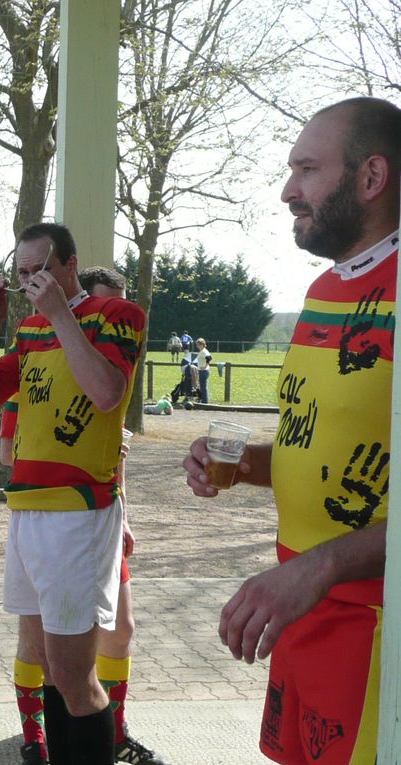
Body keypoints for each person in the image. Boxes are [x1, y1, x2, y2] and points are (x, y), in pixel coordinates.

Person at [183, 97, 400, 765]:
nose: (287, 191)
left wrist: (328, 561)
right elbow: (328, 442)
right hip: (299, 610)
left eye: (306, 169)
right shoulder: (321, 291)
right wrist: (245, 463)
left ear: (370, 177)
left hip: (371, 627)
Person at [0, 223, 145, 765]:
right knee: (47, 663)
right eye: (21, 274)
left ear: (69, 263)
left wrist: (64, 315)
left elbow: (107, 392)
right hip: (28, 507)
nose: (29, 284)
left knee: (73, 672)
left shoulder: (118, 316)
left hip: (79, 508)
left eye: (38, 271)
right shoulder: (33, 329)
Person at [0, 265, 167, 765]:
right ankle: (36, 737)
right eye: (102, 309)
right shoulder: (44, 354)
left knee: (118, 631)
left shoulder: (108, 361)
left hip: (99, 514)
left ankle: (112, 731)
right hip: (51, 513)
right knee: (47, 652)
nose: (113, 325)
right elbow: (7, 443)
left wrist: (125, 509)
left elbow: (114, 445)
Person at [194, 337, 212, 404]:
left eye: (198, 344)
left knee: (203, 387)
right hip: (202, 371)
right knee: (202, 386)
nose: (197, 346)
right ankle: (204, 400)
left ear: (202, 344)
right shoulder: (202, 351)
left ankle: (205, 401)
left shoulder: (204, 351)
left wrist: (205, 366)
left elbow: (209, 358)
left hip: (203, 371)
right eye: (197, 344)